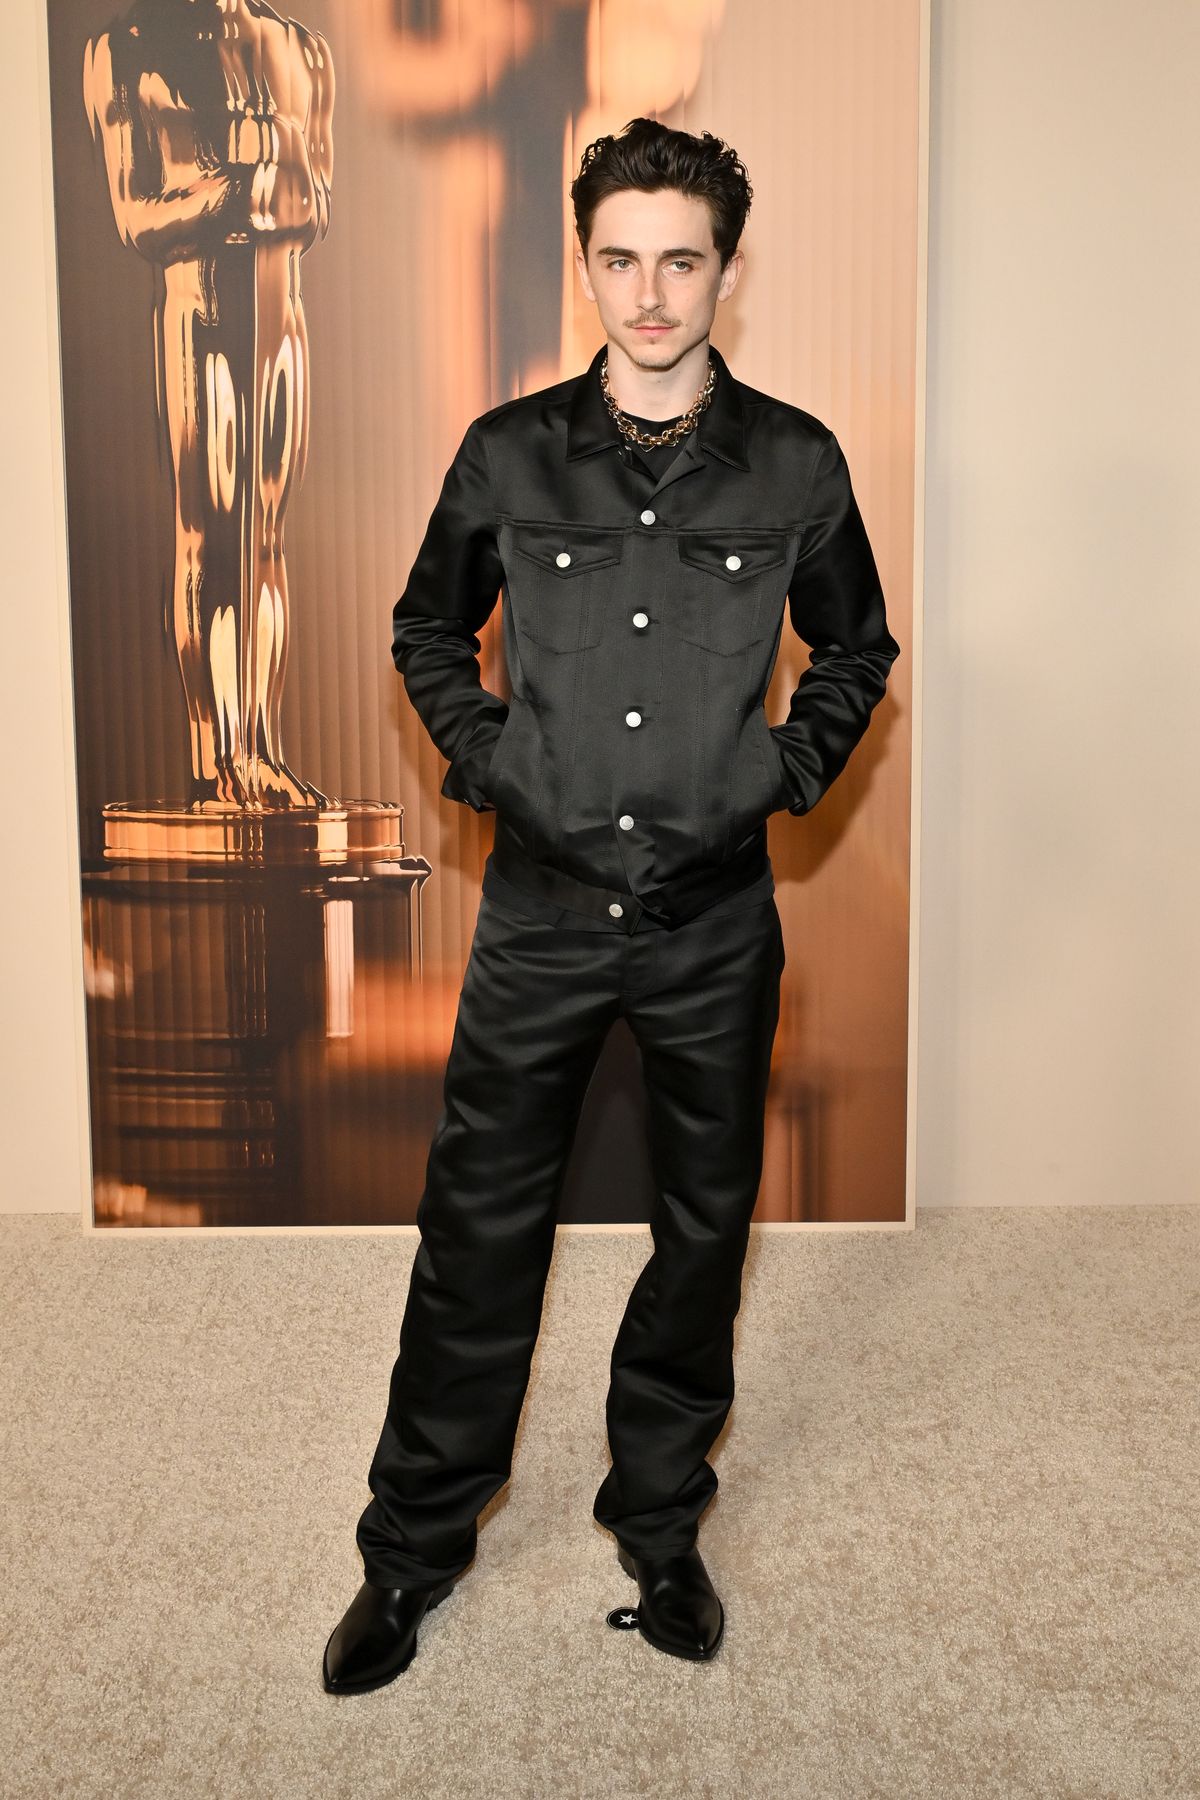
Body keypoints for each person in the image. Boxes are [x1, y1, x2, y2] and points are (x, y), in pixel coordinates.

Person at [323, 116, 900, 1693]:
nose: (650, 295)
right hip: (541, 916)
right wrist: (501, 765)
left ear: (726, 266)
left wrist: (778, 777)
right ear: (586, 261)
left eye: (682, 261)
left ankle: (661, 1525)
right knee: (478, 1235)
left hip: (717, 922)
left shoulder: (797, 461)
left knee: (702, 1234)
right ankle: (413, 1550)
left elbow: (857, 652)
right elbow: (427, 632)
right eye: (621, 259)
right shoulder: (509, 453)